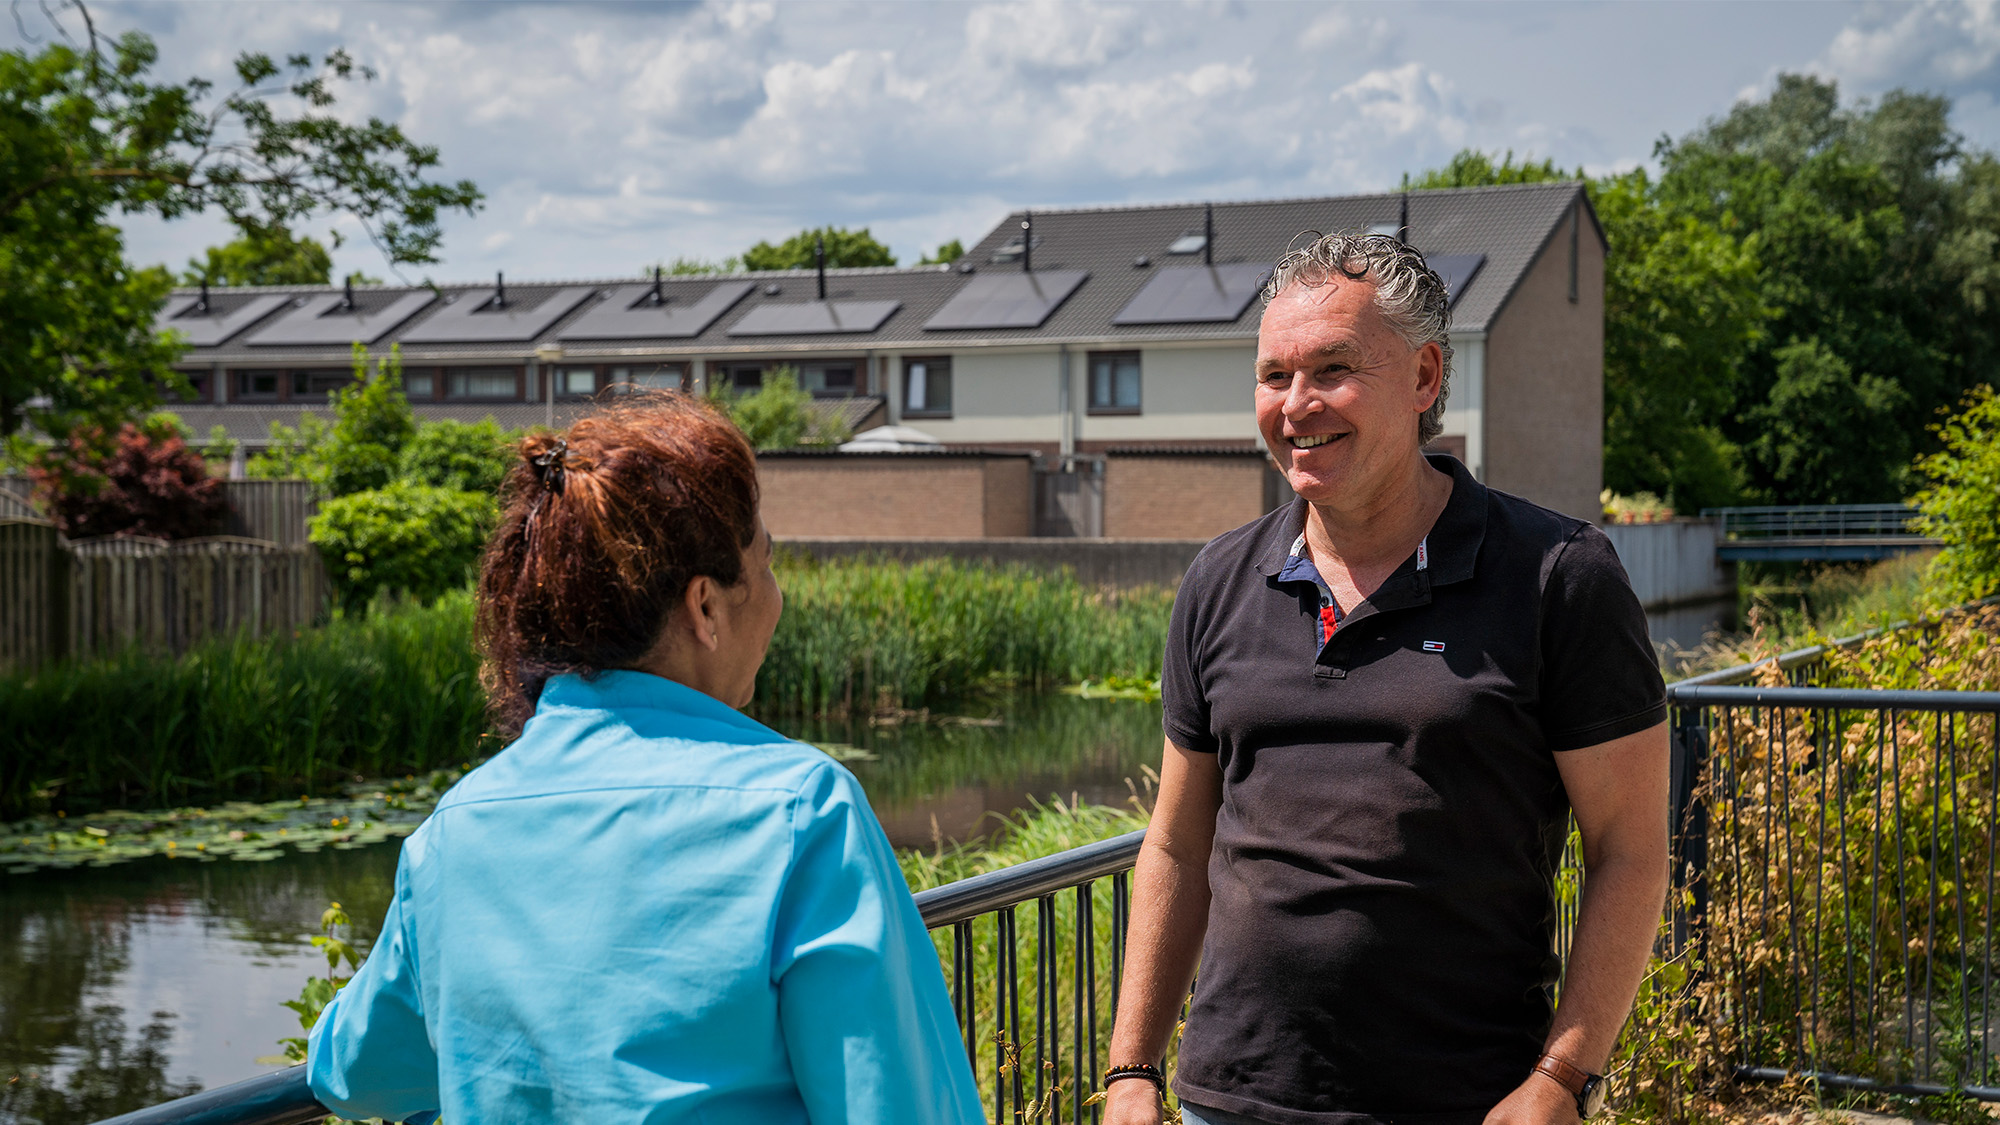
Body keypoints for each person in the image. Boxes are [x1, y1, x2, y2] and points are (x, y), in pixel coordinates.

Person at [1101, 234, 1670, 1125]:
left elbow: (1631, 853)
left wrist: (1561, 1079)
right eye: (1274, 374)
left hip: (1462, 1103)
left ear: (1424, 376)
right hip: (1228, 1102)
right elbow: (1175, 843)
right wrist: (1131, 1066)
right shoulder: (1219, 580)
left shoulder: (1559, 575)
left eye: (1332, 368)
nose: (1297, 404)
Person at [305, 394, 983, 1125]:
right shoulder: (802, 811)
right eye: (768, 564)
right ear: (706, 606)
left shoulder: (456, 830)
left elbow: (354, 1071)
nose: (780, 599)